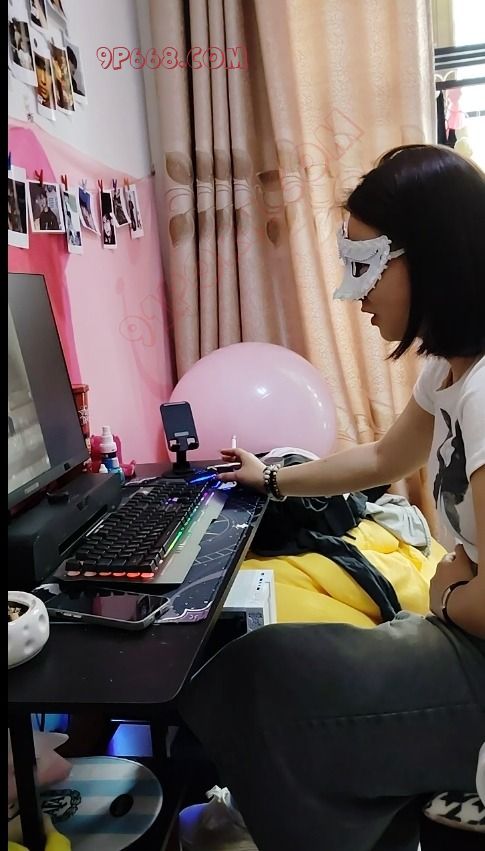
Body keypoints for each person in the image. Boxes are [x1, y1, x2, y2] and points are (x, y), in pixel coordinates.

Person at [178, 145, 485, 851]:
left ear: (430, 258)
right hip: (461, 625)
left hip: (472, 641)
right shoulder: (448, 370)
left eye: (365, 265)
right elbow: (382, 458)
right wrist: (271, 478)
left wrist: (444, 594)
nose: (355, 294)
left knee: (265, 693)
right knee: (258, 666)